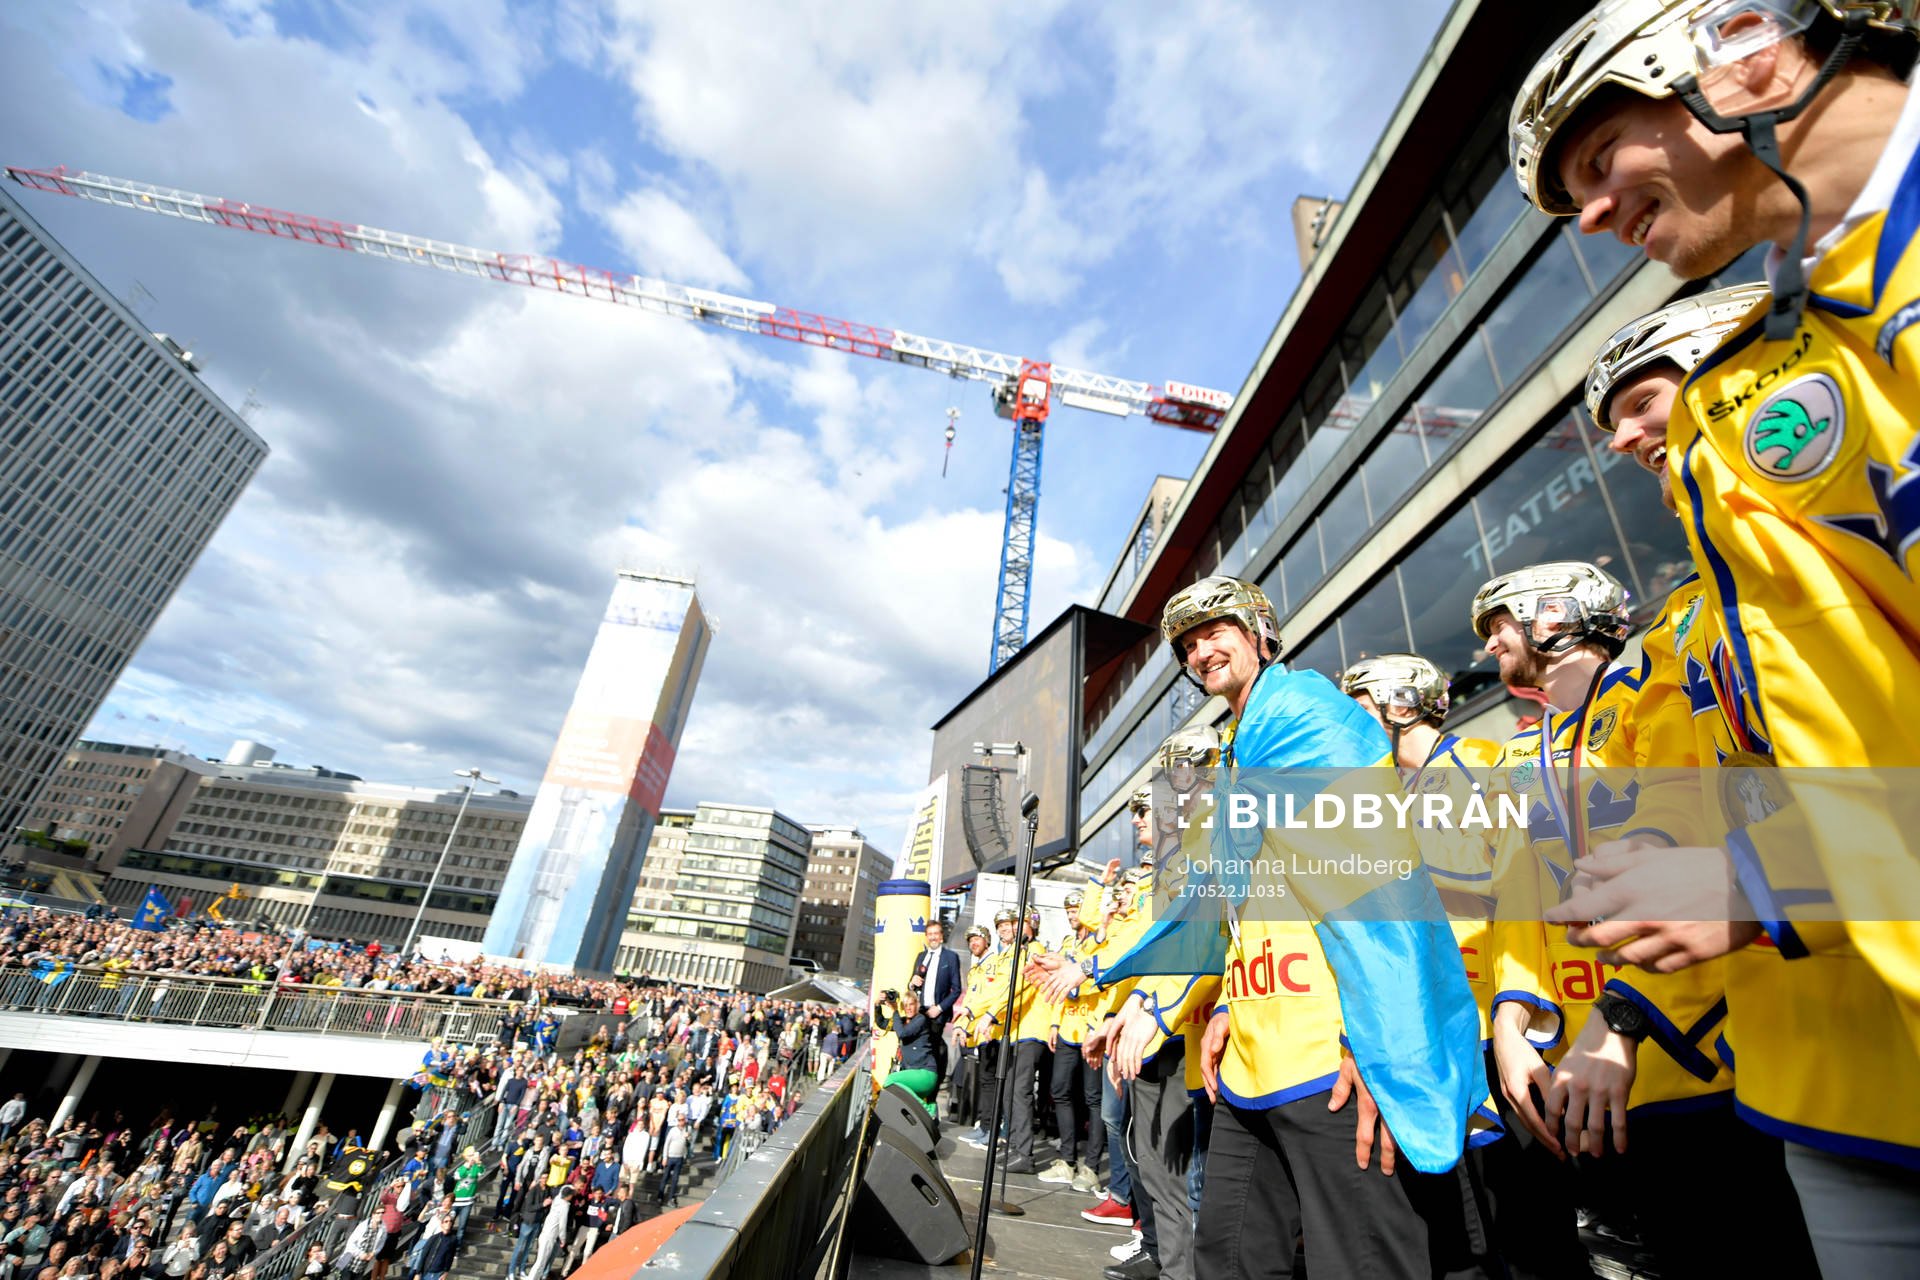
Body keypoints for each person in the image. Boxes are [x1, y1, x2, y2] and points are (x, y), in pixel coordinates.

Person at [1514, 4, 1920, 1265]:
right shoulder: (1792, 358)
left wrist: (1769, 877)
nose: (1588, 220)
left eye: (1598, 162)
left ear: (1741, 45)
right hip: (1839, 1086)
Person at [1131, 576, 1483, 1279]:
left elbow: (1373, 891)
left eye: (1215, 631)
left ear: (1261, 632)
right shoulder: (1243, 739)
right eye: (1188, 644)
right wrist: (1231, 999)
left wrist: (1379, 1044)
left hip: (1333, 1053)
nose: (1201, 651)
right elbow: (1259, 899)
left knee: (1359, 1262)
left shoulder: (1307, 716)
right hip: (1257, 1050)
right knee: (1226, 1257)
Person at [910, 921, 963, 1088]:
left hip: (936, 1014)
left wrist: (939, 1008)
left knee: (932, 1049)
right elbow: (910, 985)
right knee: (917, 1048)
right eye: (930, 934)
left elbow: (956, 989)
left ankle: (932, 1085)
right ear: (926, 937)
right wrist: (912, 983)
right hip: (919, 1012)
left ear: (941, 937)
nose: (933, 937)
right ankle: (916, 1082)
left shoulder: (950, 957)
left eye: (936, 933)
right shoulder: (920, 956)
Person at [872, 990, 940, 1119]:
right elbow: (882, 1024)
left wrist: (895, 1011)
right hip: (915, 1073)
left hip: (925, 1073)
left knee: (890, 1080)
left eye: (911, 1004)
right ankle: (929, 1108)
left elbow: (903, 1033)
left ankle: (928, 1109)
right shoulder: (903, 1021)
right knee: (904, 1098)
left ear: (917, 1005)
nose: (908, 1008)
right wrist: (877, 1005)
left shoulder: (921, 1019)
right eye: (905, 1005)